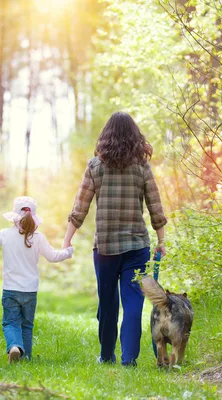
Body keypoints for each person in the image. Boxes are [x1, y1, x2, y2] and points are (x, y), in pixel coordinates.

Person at [63, 111, 167, 367]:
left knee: (108, 304)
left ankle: (106, 355)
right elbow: (155, 206)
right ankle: (128, 359)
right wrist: (161, 240)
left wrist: (67, 240)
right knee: (133, 304)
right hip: (137, 247)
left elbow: (80, 206)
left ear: (106, 136)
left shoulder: (95, 166)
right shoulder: (142, 167)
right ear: (134, 136)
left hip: (106, 249)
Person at [0, 196, 73, 363]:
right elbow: (53, 257)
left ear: (15, 217)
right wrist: (68, 251)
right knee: (27, 326)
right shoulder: (38, 237)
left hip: (10, 289)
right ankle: (26, 357)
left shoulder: (5, 234)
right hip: (30, 291)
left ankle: (14, 346)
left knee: (10, 323)